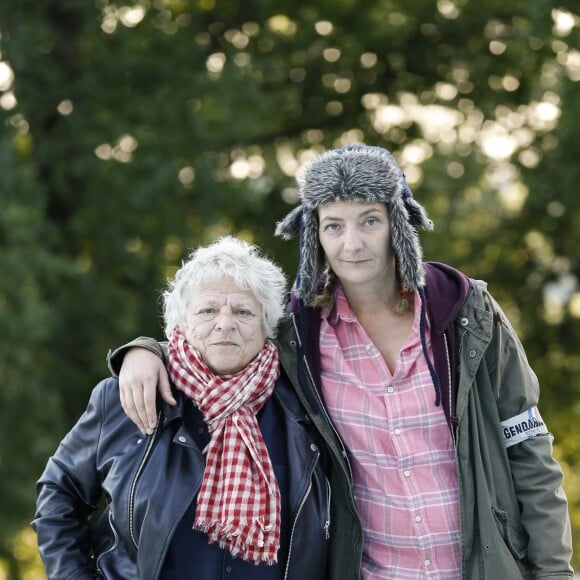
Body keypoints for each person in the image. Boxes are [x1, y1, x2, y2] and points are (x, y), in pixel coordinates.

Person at [109, 145, 574, 579]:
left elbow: (529, 450)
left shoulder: (467, 314)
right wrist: (145, 353)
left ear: (398, 223)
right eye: (334, 225)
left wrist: (554, 573)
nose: (352, 243)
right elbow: (221, 341)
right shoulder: (299, 336)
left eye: (369, 220)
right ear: (315, 234)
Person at [33, 236, 359, 580]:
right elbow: (59, 493)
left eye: (243, 311)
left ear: (267, 326)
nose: (225, 323)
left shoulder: (307, 406)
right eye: (207, 310)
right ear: (180, 323)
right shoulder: (122, 396)